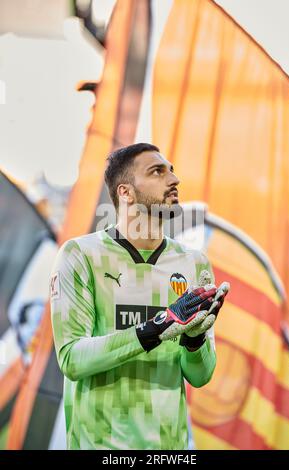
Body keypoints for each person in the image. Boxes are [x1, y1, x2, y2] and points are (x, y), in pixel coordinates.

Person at [50, 142, 228, 450]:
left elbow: (200, 376)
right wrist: (156, 327)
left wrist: (195, 340)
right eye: (157, 171)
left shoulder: (193, 262)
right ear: (125, 192)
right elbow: (72, 359)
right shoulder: (80, 255)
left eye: (171, 170)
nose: (174, 180)